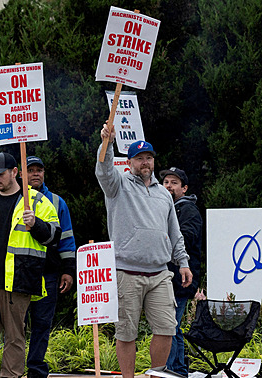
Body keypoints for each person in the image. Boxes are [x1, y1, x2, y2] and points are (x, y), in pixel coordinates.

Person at [95, 125, 193, 378]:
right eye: (139, 158)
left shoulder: (163, 194)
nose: (145, 162)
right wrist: (107, 143)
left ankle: (155, 375)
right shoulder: (117, 186)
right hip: (127, 271)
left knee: (167, 328)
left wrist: (182, 261)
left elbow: (174, 232)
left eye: (148, 158)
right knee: (126, 331)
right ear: (129, 163)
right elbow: (104, 170)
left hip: (160, 273)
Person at [0, 152, 61, 378]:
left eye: (1, 174)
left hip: (18, 281)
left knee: (15, 339)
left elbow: (54, 236)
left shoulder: (36, 200)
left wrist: (36, 224)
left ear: (15, 172)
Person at [24, 156, 76, 378]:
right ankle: (13, 369)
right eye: (31, 170)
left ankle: (35, 370)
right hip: (18, 274)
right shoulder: (12, 198)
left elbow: (67, 238)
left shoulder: (57, 202)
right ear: (21, 174)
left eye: (39, 170)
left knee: (42, 324)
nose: (36, 174)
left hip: (48, 273)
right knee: (15, 326)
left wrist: (68, 270)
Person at [160, 167, 202, 376]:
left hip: (181, 279)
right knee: (171, 326)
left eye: (174, 183)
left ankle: (174, 370)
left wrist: (160, 240)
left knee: (170, 326)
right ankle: (176, 370)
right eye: (166, 182)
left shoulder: (187, 210)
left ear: (184, 188)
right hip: (168, 277)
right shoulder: (165, 208)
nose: (169, 186)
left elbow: (185, 238)